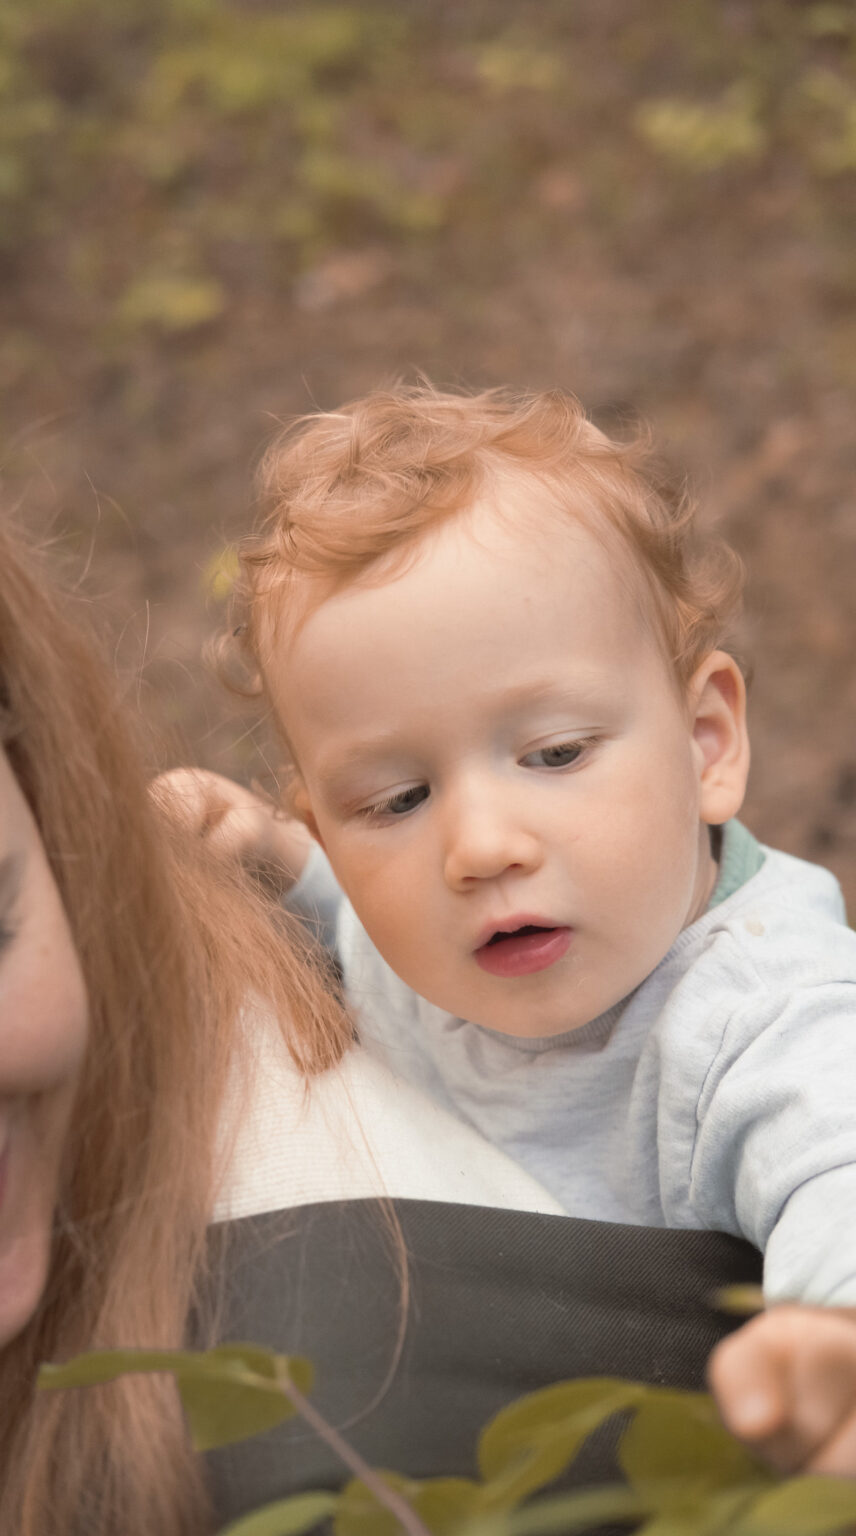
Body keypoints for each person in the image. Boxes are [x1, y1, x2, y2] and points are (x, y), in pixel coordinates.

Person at [164, 380, 856, 1478]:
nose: (479, 847)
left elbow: (835, 1158)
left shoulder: (761, 1010)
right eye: (396, 801)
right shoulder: (457, 930)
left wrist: (833, 1337)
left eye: (555, 754)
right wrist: (277, 865)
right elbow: (367, 940)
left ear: (706, 743)